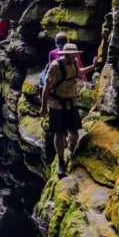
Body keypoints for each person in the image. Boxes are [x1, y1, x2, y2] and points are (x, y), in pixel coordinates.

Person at [39, 43, 98, 177]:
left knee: (74, 132)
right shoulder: (55, 66)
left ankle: (71, 149)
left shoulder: (75, 63)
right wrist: (43, 107)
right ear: (65, 55)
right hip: (56, 105)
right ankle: (60, 160)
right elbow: (46, 88)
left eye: (75, 54)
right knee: (59, 133)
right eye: (72, 55)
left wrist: (93, 67)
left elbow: (79, 72)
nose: (74, 57)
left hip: (71, 103)